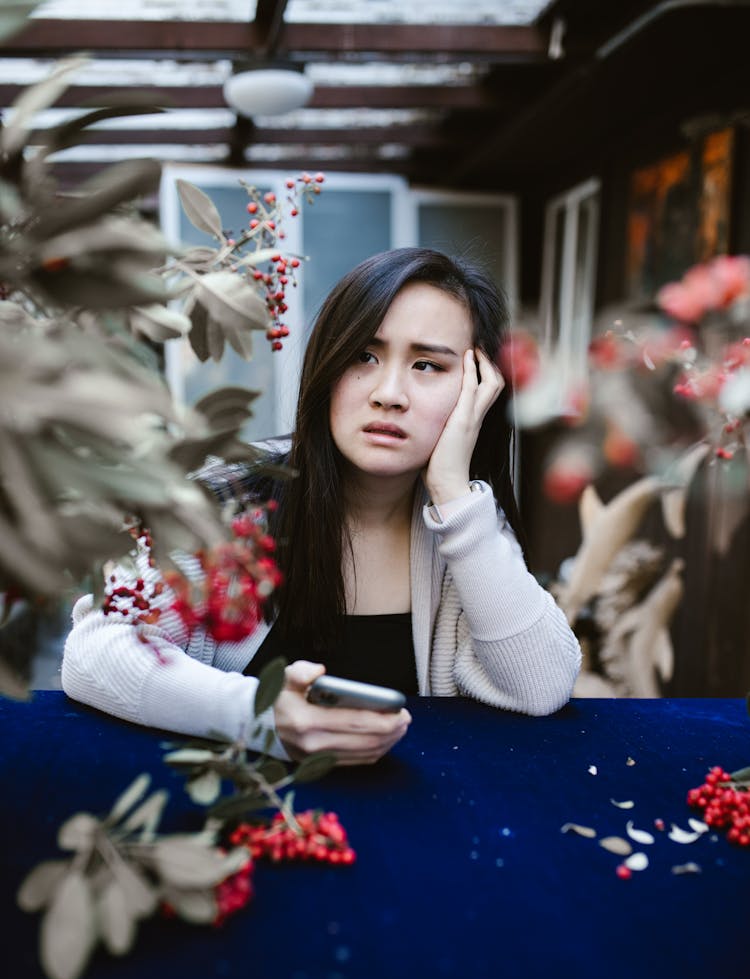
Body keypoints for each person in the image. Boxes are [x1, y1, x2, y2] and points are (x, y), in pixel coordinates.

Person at [62, 247, 581, 766]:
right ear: (326, 365)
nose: (389, 393)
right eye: (364, 355)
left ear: (478, 391)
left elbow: (542, 685)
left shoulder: (466, 528)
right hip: (239, 819)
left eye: (428, 365)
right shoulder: (225, 503)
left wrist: (452, 490)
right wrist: (259, 716)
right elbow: (94, 655)